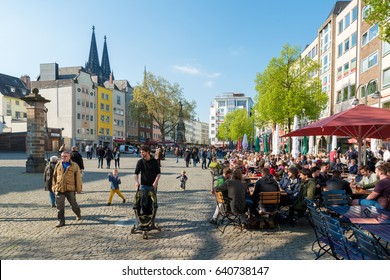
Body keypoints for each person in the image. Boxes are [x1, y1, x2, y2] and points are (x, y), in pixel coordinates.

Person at [52, 151, 82, 228]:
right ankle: (61, 221)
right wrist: (54, 187)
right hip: (59, 189)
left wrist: (78, 189)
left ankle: (78, 213)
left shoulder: (75, 166)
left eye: (65, 156)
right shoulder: (58, 165)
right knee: (60, 207)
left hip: (70, 189)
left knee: (73, 205)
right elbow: (54, 177)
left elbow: (78, 178)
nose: (63, 158)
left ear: (69, 157)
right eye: (62, 156)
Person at [134, 145, 161, 215]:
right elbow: (136, 173)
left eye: (142, 152)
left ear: (148, 152)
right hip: (143, 185)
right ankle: (143, 215)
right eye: (140, 152)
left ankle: (151, 217)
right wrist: (136, 182)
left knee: (151, 202)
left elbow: (158, 173)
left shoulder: (155, 162)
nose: (141, 154)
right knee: (143, 200)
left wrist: (155, 182)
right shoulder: (140, 162)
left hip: (153, 185)